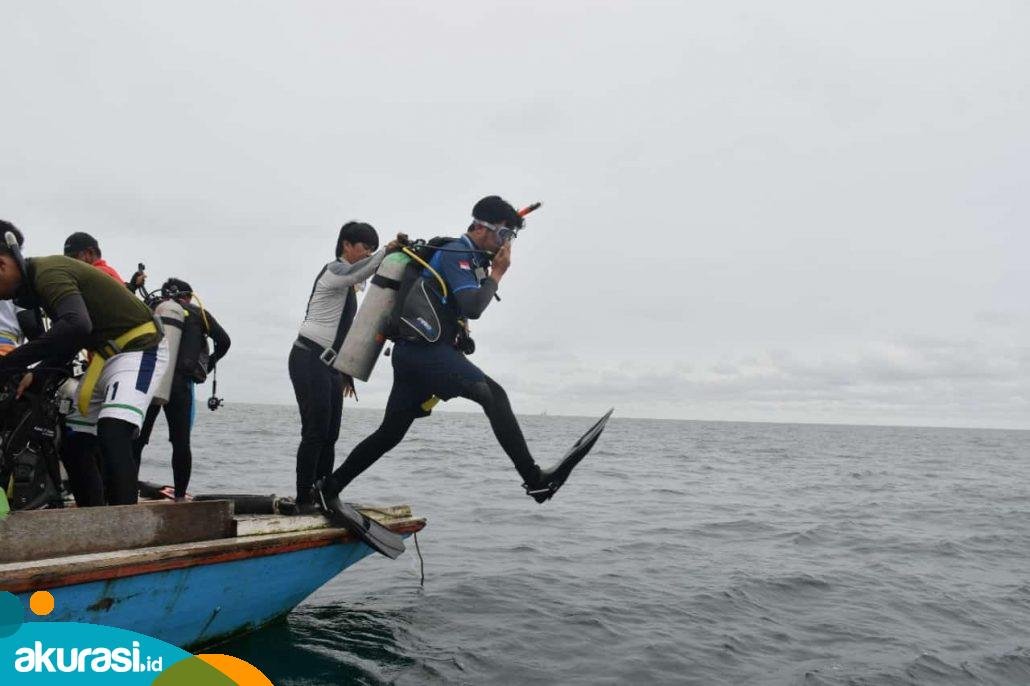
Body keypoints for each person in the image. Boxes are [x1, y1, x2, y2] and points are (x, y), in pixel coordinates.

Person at [314, 196, 577, 512]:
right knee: (493, 395)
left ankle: (328, 489)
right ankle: (534, 479)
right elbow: (473, 307)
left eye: (511, 238)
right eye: (503, 235)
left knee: (389, 434)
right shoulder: (457, 254)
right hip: (424, 354)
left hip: (414, 354)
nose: (505, 244)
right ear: (480, 227)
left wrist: (490, 270)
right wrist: (498, 273)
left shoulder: (470, 258)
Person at [0, 229, 168, 506]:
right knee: (75, 439)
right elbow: (71, 338)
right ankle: (92, 517)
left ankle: (124, 527)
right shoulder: (40, 282)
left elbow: (77, 325)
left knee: (113, 430)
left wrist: (8, 364)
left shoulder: (48, 272)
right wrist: (36, 373)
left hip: (140, 346)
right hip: (105, 355)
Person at [289, 222, 392, 512]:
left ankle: (322, 493)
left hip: (331, 366)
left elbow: (347, 328)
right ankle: (302, 500)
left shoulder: (350, 285)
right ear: (346, 245)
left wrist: (345, 371)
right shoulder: (334, 271)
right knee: (315, 432)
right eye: (365, 247)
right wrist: (386, 251)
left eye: (373, 248)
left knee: (331, 435)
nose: (368, 253)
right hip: (308, 357)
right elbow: (359, 273)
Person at [134, 278, 231, 500]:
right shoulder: (198, 313)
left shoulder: (153, 309)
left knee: (138, 440)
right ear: (187, 296)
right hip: (181, 384)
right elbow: (225, 341)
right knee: (180, 444)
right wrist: (208, 364)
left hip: (152, 380)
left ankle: (126, 492)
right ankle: (179, 497)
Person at [63, 231, 146, 291]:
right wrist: (132, 286)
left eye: (74, 256)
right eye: (68, 259)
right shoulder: (108, 271)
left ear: (90, 252)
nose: (70, 262)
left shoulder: (95, 273)